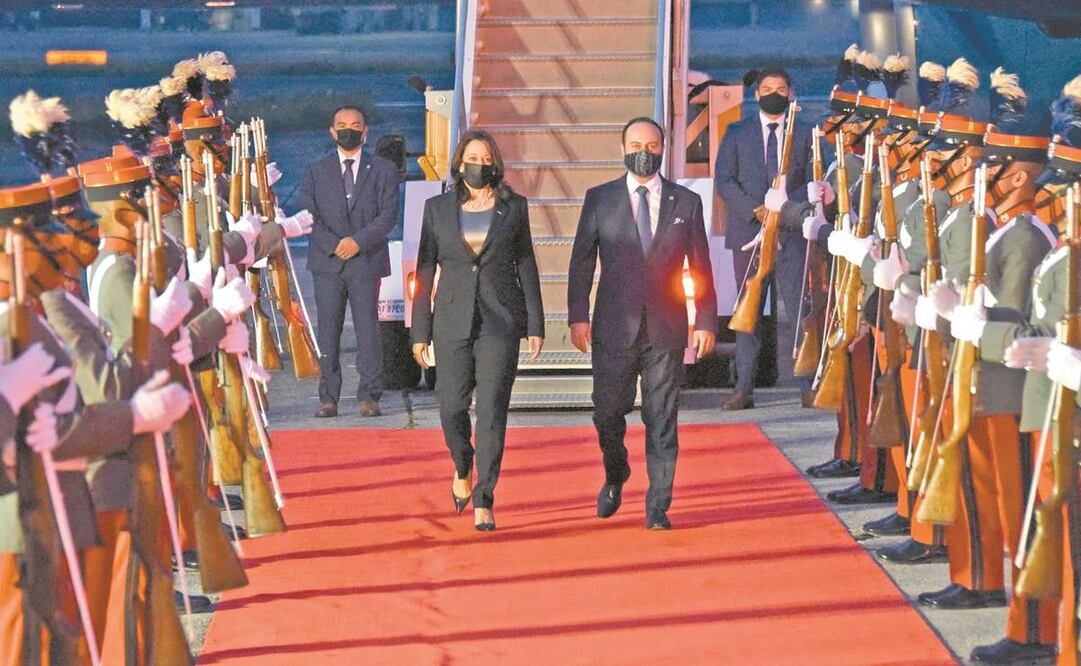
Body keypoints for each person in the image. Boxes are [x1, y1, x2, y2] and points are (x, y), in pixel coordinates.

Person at [567, 117, 717, 530]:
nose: (644, 152)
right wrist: (577, 316)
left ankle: (658, 505)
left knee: (661, 415)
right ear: (622, 149)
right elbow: (582, 262)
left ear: (663, 149)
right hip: (613, 326)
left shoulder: (686, 202)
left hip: (666, 327)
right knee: (608, 411)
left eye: (652, 145)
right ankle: (616, 472)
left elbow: (700, 264)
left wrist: (704, 319)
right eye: (636, 144)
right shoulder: (600, 199)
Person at [410, 130, 544, 532]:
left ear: (495, 163)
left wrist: (535, 323)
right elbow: (425, 270)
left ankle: (485, 498)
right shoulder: (436, 209)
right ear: (458, 161)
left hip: (500, 321)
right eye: (472, 156)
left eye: (486, 158)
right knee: (451, 406)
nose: (479, 164)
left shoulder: (514, 207)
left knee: (491, 411)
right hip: (450, 320)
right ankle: (462, 464)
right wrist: (420, 332)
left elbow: (527, 267)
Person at [714, 67, 813, 410]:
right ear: (756, 94)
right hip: (749, 237)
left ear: (790, 93)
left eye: (781, 88)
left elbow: (815, 180)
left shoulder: (803, 133)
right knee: (748, 314)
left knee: (802, 314)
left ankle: (808, 385)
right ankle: (743, 389)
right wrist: (755, 210)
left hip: (792, 237)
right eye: (767, 88)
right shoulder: (737, 132)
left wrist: (784, 208)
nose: (774, 93)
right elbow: (724, 180)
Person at [301, 105, 399, 418]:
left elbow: (388, 216)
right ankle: (328, 398)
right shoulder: (317, 169)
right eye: (342, 125)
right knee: (327, 331)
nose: (348, 130)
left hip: (366, 260)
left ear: (365, 131)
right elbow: (308, 216)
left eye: (355, 125)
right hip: (327, 263)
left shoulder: (383, 169)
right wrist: (336, 244)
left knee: (368, 331)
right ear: (332, 132)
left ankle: (370, 396)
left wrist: (357, 242)